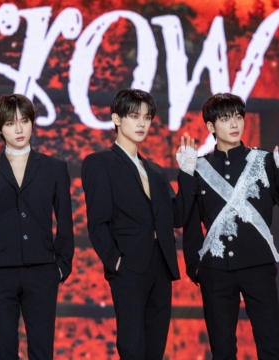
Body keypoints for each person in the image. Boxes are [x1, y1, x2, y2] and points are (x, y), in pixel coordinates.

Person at [183, 93, 279, 359]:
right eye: (225, 119)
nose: (235, 124)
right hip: (215, 271)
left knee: (270, 348)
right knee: (222, 351)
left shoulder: (265, 161)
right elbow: (189, 224)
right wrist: (196, 268)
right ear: (211, 127)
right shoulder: (199, 168)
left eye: (238, 117)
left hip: (258, 267)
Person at [81, 88, 199, 359]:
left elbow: (177, 217)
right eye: (134, 116)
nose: (142, 123)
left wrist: (188, 173)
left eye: (147, 117)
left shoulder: (155, 171)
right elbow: (97, 222)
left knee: (155, 346)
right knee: (132, 345)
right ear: (116, 119)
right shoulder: (99, 163)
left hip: (161, 266)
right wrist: (116, 262)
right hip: (129, 266)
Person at [0, 94, 74, 359]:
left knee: (41, 350)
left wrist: (60, 267)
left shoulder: (53, 168)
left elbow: (66, 222)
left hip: (42, 271)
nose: (19, 129)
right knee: (4, 350)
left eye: (24, 121)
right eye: (11, 123)